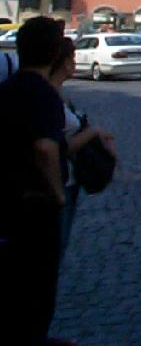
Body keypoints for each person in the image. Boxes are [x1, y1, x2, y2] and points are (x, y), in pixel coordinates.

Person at [0, 17, 78, 346]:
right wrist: (58, 194)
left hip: (11, 197)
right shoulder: (44, 94)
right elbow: (46, 148)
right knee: (38, 282)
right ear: (53, 52)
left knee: (17, 280)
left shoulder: (10, 87)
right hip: (37, 203)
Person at [49, 38, 116, 261]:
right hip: (58, 182)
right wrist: (93, 132)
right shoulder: (50, 96)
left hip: (69, 180)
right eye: (73, 58)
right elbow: (59, 147)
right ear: (65, 62)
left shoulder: (59, 93)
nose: (75, 63)